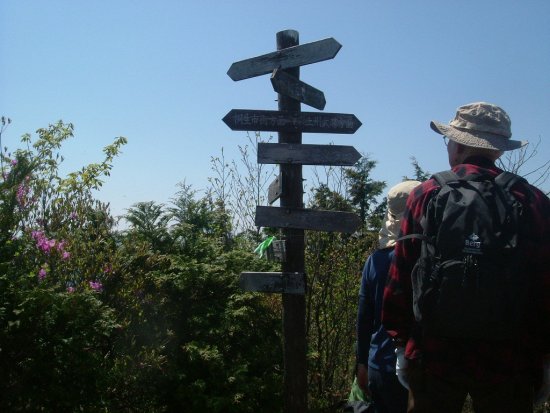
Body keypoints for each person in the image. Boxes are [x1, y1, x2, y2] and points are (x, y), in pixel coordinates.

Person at [381, 102, 550, 412]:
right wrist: (542, 358)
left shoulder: (426, 194)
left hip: (433, 354)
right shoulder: (532, 200)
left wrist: (401, 344)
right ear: (498, 150)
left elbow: (402, 275)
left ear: (458, 145)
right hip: (510, 358)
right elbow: (544, 284)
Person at [356, 180, 420, 413]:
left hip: (380, 365)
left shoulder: (375, 260)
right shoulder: (428, 257)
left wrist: (361, 363)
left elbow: (364, 318)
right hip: (420, 366)